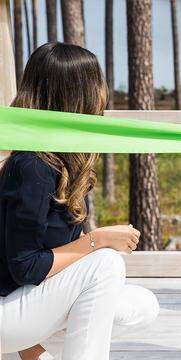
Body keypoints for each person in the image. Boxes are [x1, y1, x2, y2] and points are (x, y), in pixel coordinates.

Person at [0, 42, 159, 360]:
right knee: (105, 264)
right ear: (75, 96)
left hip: (23, 306)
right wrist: (96, 241)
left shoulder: (58, 160)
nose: (103, 95)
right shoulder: (32, 165)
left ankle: (39, 351)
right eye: (96, 84)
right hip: (7, 310)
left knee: (141, 305)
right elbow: (24, 267)